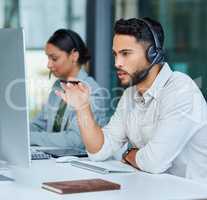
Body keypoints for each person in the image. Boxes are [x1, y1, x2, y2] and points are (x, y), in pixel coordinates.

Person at [56, 18, 207, 181]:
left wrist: (129, 154)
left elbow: (154, 163)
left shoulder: (180, 90)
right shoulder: (130, 95)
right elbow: (99, 151)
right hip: (153, 189)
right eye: (115, 54)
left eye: (125, 54)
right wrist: (82, 107)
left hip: (192, 193)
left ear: (153, 54)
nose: (117, 63)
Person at [30, 29, 108, 150]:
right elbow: (40, 123)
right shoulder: (58, 86)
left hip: (76, 163)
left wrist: (31, 138)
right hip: (53, 158)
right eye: (48, 58)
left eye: (54, 58)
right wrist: (19, 133)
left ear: (74, 55)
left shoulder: (92, 91)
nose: (48, 65)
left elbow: (75, 141)